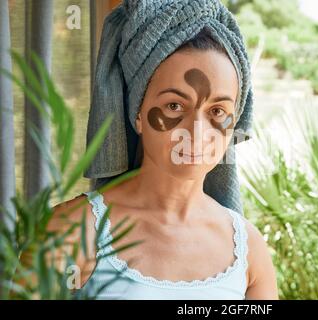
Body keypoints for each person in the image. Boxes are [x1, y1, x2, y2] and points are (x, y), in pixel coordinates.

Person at [51, 0, 278, 300]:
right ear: (138, 114)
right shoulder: (72, 231)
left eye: (218, 112)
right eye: (174, 106)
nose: (197, 132)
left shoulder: (248, 249)